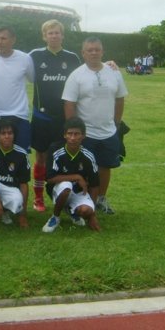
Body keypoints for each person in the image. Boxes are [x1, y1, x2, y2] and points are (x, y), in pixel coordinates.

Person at [62, 37, 128, 214]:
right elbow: (69, 103)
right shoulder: (76, 75)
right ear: (83, 53)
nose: (94, 53)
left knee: (105, 167)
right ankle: (79, 201)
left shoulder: (114, 72)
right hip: (86, 133)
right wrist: (74, 131)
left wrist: (116, 123)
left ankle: (100, 199)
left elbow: (120, 98)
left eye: (97, 49)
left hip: (109, 132)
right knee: (82, 168)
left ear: (102, 51)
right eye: (89, 50)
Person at [28, 19, 81, 212]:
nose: (54, 36)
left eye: (57, 32)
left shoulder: (72, 58)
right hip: (42, 117)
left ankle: (66, 196)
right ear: (44, 36)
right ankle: (38, 197)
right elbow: (14, 61)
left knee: (65, 156)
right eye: (50, 33)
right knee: (41, 157)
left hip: (64, 118)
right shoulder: (34, 55)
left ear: (62, 35)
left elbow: (86, 73)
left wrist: (108, 64)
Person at [41, 117, 100, 233]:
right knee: (66, 186)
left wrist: (92, 215)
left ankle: (72, 211)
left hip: (78, 192)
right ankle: (55, 217)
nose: (72, 138)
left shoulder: (88, 156)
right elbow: (49, 178)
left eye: (76, 134)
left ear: (83, 136)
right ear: (64, 135)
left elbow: (95, 185)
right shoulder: (55, 150)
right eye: (70, 134)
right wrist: (77, 177)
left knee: (86, 211)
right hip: (58, 189)